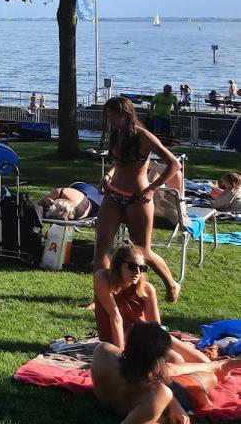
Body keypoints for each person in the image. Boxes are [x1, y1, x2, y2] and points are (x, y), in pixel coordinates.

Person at [95, 96, 183, 302]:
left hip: (137, 198)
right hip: (114, 194)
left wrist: (153, 188)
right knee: (102, 244)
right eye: (108, 117)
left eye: (113, 117)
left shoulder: (144, 137)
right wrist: (108, 175)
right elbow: (119, 162)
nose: (111, 121)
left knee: (142, 250)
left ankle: (171, 284)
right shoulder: (116, 134)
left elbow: (174, 164)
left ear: (125, 114)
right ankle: (101, 295)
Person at [91, 322, 241, 424]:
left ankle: (219, 365)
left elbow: (135, 365)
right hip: (153, 396)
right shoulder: (160, 393)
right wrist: (174, 405)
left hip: (136, 386)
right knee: (211, 377)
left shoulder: (102, 352)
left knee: (175, 364)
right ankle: (220, 365)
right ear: (158, 360)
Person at [94, 243, 210, 364]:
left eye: (142, 268)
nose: (138, 272)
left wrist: (162, 346)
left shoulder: (146, 289)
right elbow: (116, 317)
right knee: (176, 360)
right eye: (132, 266)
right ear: (118, 265)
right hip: (125, 338)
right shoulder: (103, 278)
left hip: (145, 335)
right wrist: (121, 356)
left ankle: (204, 369)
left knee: (204, 361)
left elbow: (155, 327)